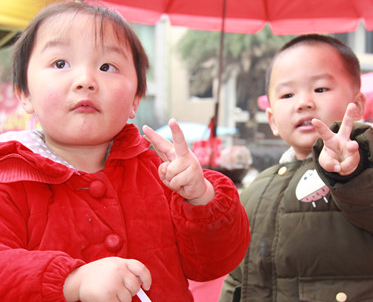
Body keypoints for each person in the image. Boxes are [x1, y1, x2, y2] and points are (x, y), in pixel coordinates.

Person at [0, 1, 250, 301]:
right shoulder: (10, 179)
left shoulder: (164, 174)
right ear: (24, 93)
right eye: (60, 63)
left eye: (107, 67)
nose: (85, 82)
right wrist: (73, 281)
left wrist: (201, 198)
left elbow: (213, 263)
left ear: (135, 100)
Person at [219, 34, 373, 302]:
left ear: (357, 105)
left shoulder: (362, 169)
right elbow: (237, 279)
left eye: (320, 89)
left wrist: (350, 174)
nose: (303, 102)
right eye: (288, 94)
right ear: (272, 120)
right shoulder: (257, 188)